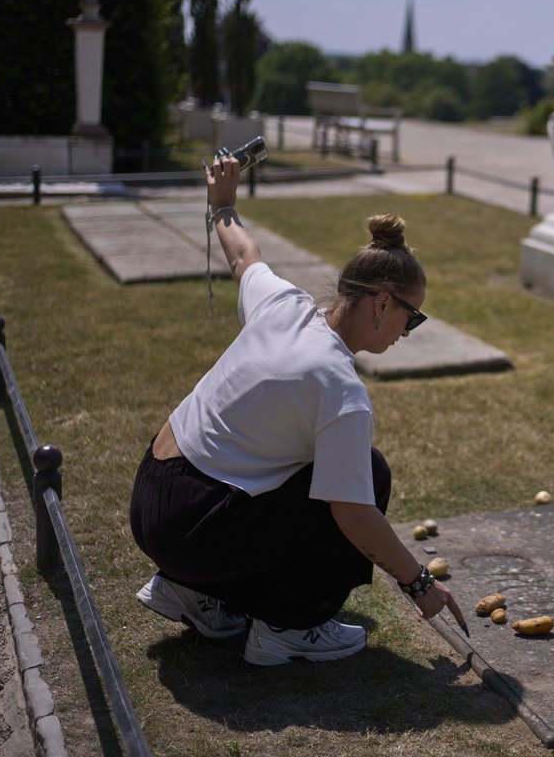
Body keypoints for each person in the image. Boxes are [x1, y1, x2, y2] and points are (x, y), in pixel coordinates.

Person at [129, 152, 465, 666]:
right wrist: (419, 582)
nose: (407, 332)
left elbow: (244, 256)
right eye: (411, 318)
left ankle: (189, 590)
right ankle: (289, 626)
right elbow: (353, 514)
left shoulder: (283, 302)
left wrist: (222, 205)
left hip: (151, 497)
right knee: (365, 477)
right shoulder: (341, 389)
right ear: (381, 303)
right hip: (190, 529)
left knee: (301, 464)